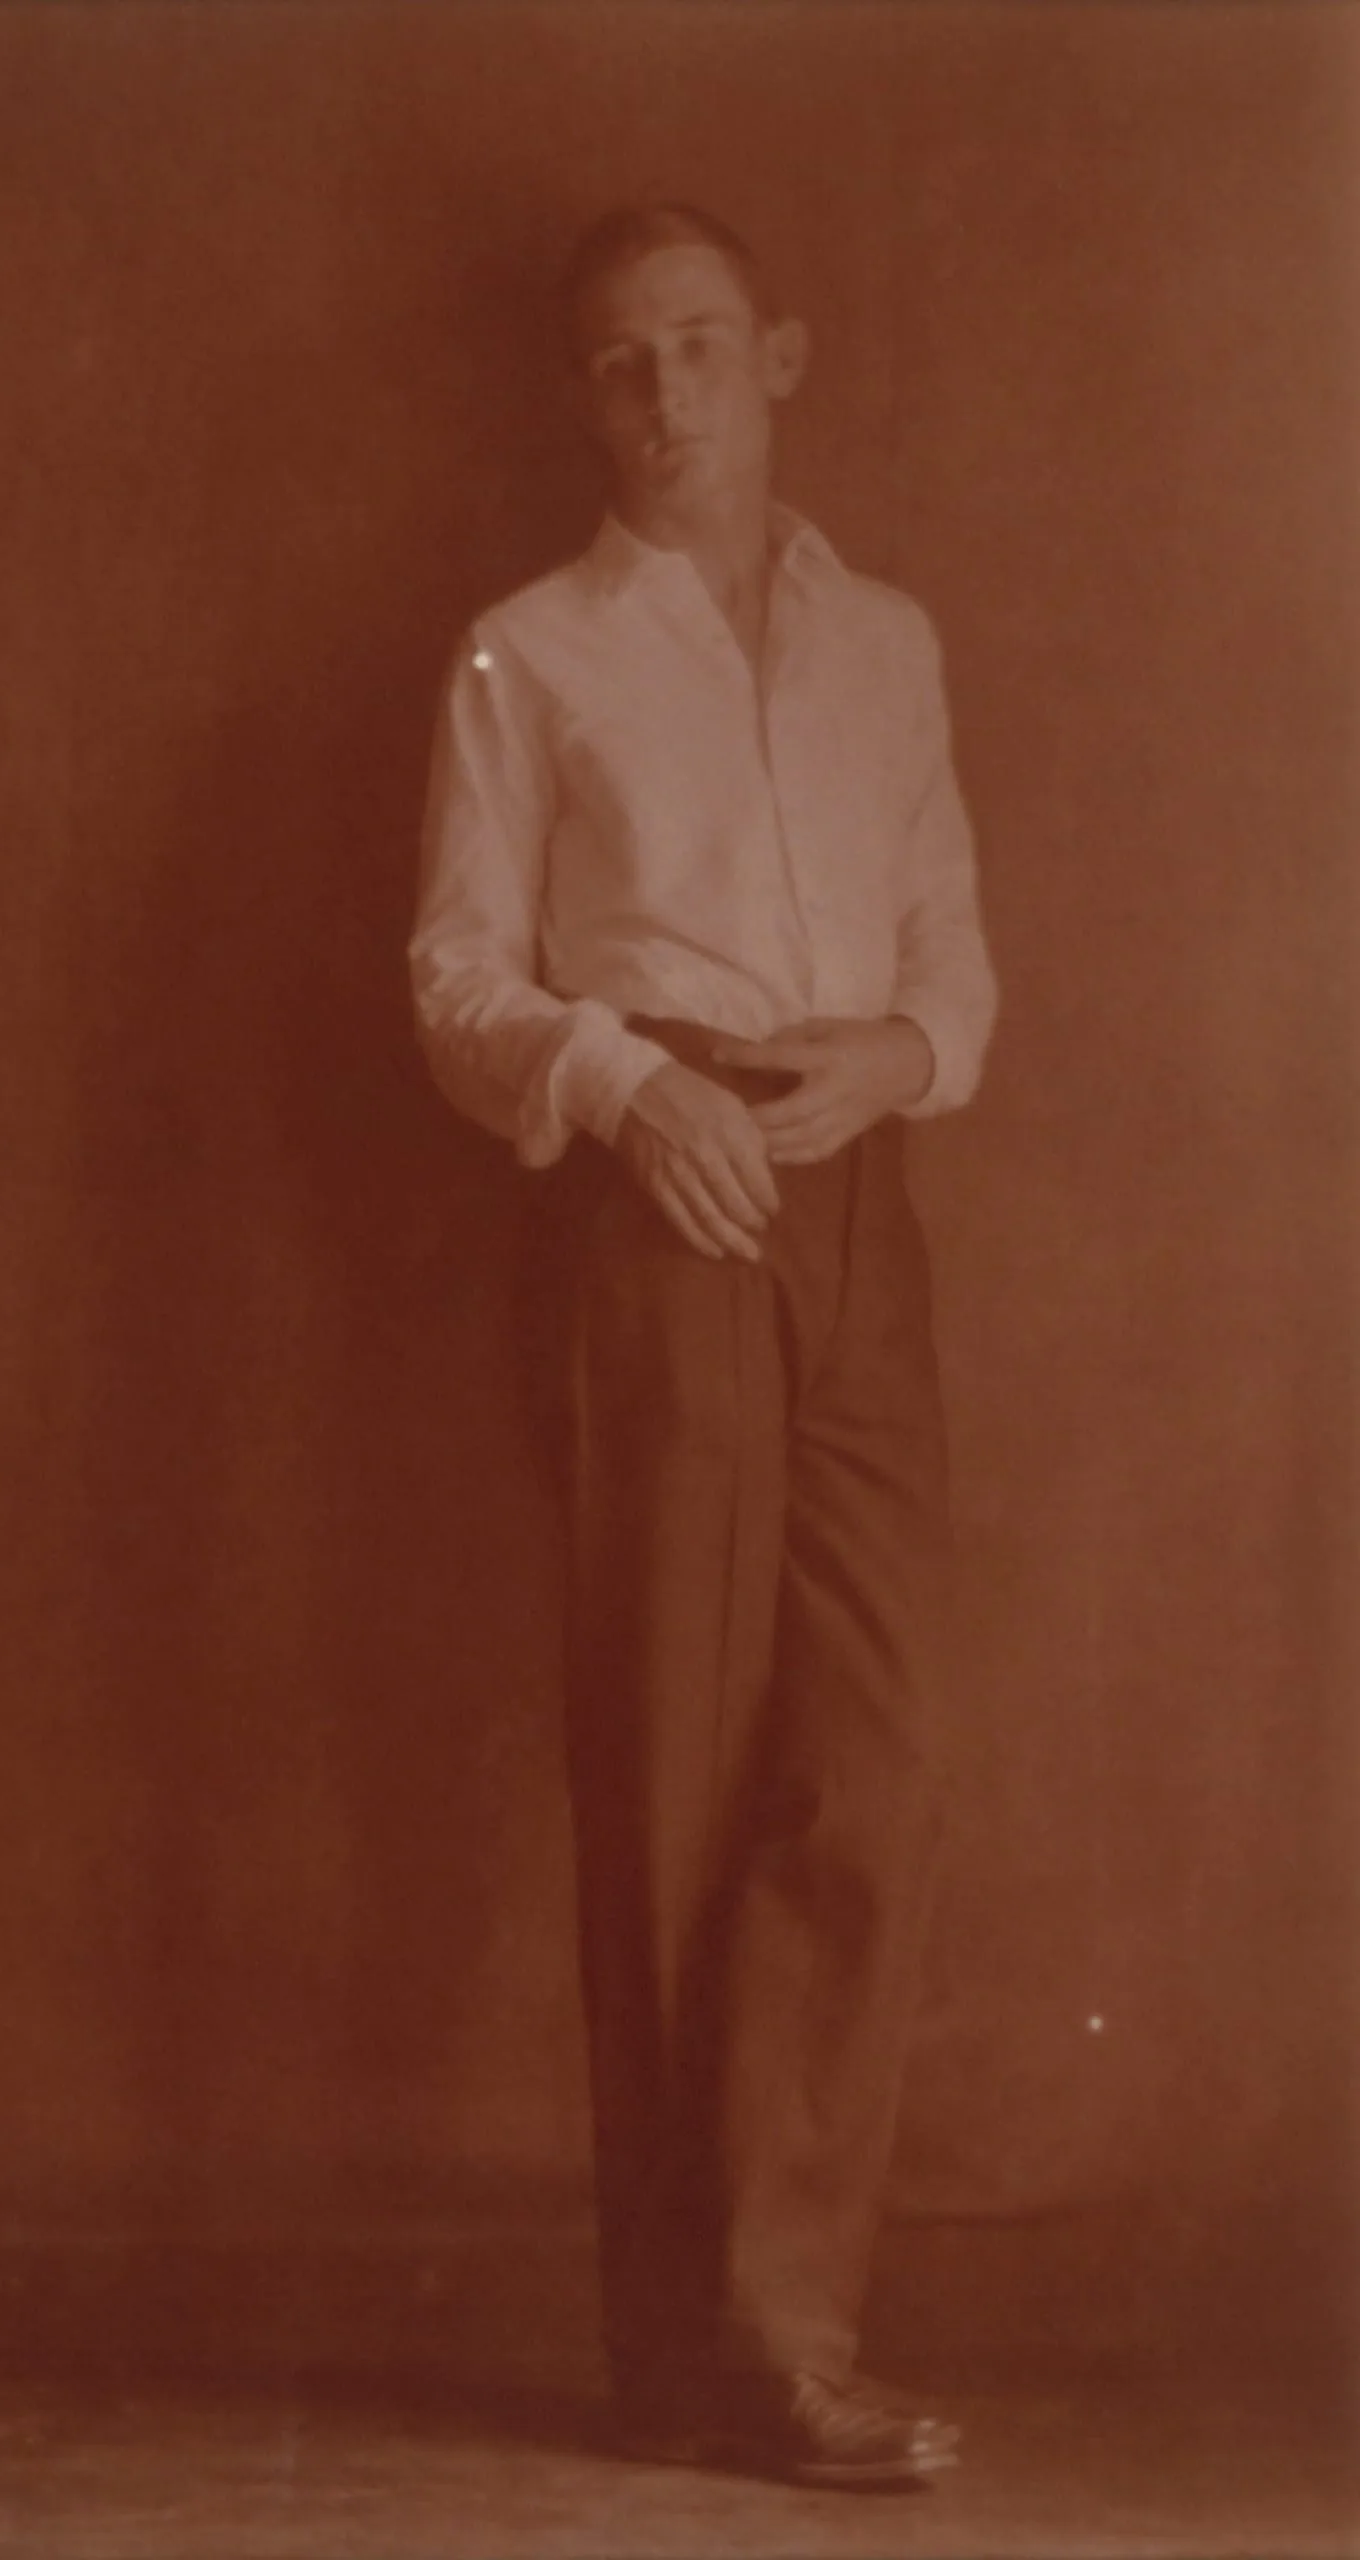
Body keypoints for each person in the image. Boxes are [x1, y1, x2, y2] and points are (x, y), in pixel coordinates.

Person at [409, 202, 997, 2490]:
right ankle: (714, 2348)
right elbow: (455, 977)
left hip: (854, 1204)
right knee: (675, 1766)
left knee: (877, 1752)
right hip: (659, 1200)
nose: (662, 395)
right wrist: (624, 1086)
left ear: (779, 357)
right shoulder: (527, 651)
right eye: (617, 363)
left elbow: (949, 947)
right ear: (587, 400)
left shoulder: (889, 642)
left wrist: (901, 1057)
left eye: (696, 346)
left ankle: (767, 2324)